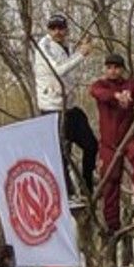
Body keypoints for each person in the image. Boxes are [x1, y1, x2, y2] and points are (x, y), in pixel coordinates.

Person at [32, 14, 98, 198]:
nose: (57, 32)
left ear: (66, 29)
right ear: (48, 30)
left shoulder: (63, 46)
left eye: (61, 28)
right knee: (61, 156)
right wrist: (81, 54)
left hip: (69, 106)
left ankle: (87, 187)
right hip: (52, 108)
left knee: (91, 145)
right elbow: (58, 70)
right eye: (53, 28)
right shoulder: (43, 46)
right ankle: (67, 195)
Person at [90, 54, 134, 232]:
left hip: (130, 137)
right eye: (109, 67)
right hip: (108, 143)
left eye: (117, 67)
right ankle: (112, 224)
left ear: (122, 69)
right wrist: (116, 96)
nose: (113, 71)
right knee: (110, 180)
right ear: (105, 69)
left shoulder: (131, 84)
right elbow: (98, 94)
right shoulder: (99, 85)